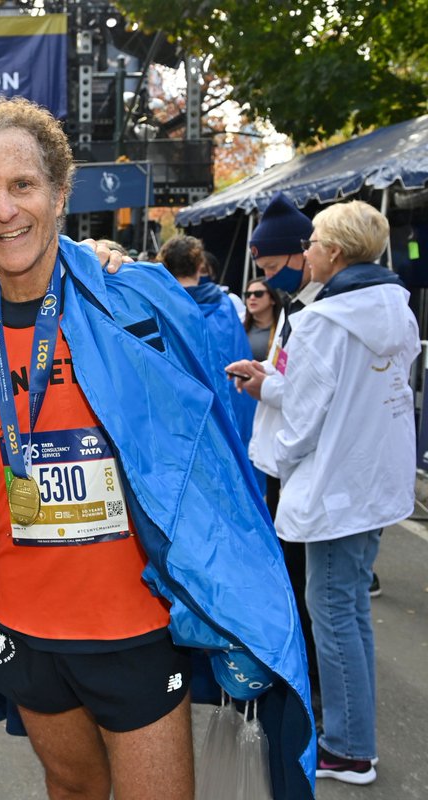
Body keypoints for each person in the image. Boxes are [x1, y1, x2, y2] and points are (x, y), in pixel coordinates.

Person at [0, 97, 314, 799]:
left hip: (133, 624)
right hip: (23, 624)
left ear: (60, 192)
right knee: (72, 789)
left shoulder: (131, 304)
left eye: (23, 185)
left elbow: (205, 450)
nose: (6, 210)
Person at [235, 201, 417, 786]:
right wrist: (275, 384)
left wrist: (267, 408)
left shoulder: (322, 321)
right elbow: (338, 397)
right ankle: (351, 738)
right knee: (349, 613)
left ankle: (348, 747)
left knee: (333, 615)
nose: (307, 250)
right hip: (374, 484)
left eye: (314, 241)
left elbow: (307, 420)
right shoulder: (394, 309)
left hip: (336, 489)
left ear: (335, 253)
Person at [226, 193, 322, 698]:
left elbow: (312, 398)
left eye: (268, 265)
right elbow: (293, 377)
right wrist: (264, 375)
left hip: (301, 468)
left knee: (319, 598)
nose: (263, 276)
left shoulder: (324, 314)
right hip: (284, 467)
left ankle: (314, 692)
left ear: (300, 251)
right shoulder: (297, 311)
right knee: (301, 586)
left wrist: (267, 386)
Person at [157, 234, 253, 438]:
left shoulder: (157, 306)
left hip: (178, 416)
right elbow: (238, 357)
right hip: (227, 412)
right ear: (201, 264)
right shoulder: (225, 305)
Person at [243, 277, 280, 362]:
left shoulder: (285, 330)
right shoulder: (238, 328)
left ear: (273, 299)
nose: (252, 298)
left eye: (258, 293)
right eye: (248, 295)